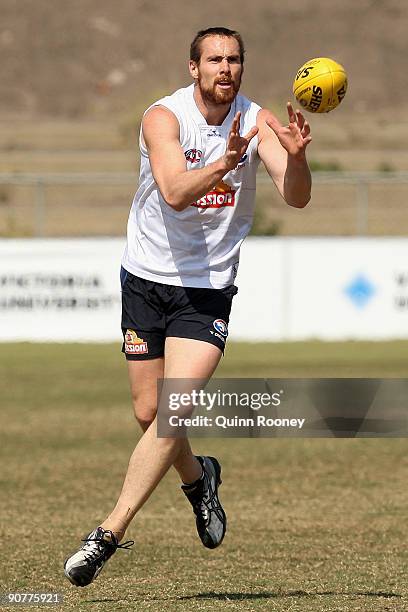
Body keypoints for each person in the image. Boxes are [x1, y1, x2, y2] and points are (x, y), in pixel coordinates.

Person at [64, 26, 312, 587]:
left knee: (174, 411)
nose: (226, 68)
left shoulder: (256, 120)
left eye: (235, 60)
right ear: (193, 67)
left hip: (206, 288)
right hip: (146, 279)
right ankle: (201, 479)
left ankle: (108, 533)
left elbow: (295, 196)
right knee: (151, 414)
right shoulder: (163, 117)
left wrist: (294, 159)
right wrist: (225, 163)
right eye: (215, 59)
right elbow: (175, 190)